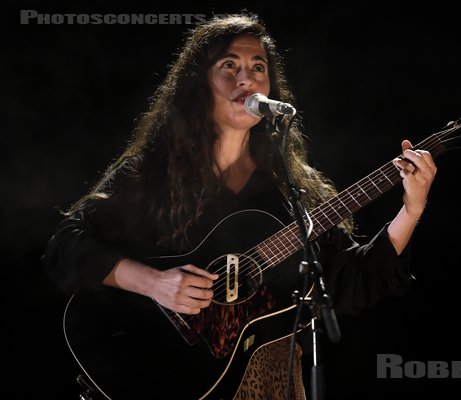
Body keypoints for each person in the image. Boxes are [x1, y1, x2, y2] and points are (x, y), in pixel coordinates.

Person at [42, 13, 437, 400]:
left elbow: (347, 281)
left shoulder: (289, 190)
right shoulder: (153, 173)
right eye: (228, 65)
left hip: (270, 382)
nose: (245, 78)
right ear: (199, 83)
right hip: (148, 363)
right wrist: (155, 283)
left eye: (257, 67)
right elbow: (68, 244)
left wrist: (411, 209)